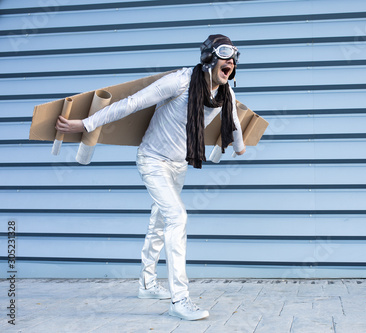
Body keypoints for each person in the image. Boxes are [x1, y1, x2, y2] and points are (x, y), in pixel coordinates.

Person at [55, 34, 246, 321]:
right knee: (177, 218)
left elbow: (235, 125)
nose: (230, 61)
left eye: (234, 57)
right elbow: (132, 103)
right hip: (153, 160)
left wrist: (240, 146)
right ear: (208, 58)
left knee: (160, 222)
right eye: (224, 55)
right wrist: (85, 123)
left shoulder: (225, 94)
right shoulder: (180, 81)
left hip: (179, 164)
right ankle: (179, 299)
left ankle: (146, 282)